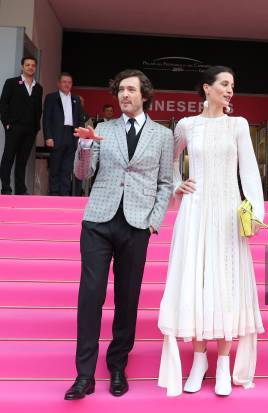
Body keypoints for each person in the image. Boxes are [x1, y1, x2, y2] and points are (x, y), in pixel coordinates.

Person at [64, 69, 173, 399]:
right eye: (120, 90)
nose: (124, 95)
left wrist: (154, 220)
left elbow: (166, 183)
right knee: (91, 295)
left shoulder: (162, 136)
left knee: (128, 299)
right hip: (98, 220)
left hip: (137, 224)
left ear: (144, 95)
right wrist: (84, 146)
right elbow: (82, 174)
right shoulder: (101, 129)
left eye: (131, 90)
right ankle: (84, 375)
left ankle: (117, 367)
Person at [157, 66, 265, 397]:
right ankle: (199, 360)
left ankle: (223, 363)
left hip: (230, 213)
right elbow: (168, 161)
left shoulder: (239, 124)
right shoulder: (188, 125)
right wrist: (178, 184)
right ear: (207, 88)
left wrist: (255, 213)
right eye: (224, 84)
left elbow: (248, 168)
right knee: (199, 281)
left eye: (233, 85)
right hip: (196, 211)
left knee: (226, 283)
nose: (230, 89)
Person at [0, 56, 43, 195]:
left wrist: (36, 127)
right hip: (14, 127)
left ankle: (20, 190)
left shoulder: (38, 87)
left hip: (30, 129)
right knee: (8, 158)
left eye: (33, 65)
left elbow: (38, 109)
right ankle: (6, 188)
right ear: (22, 66)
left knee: (22, 160)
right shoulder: (11, 83)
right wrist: (6, 123)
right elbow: (3, 103)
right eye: (28, 65)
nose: (30, 67)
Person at [42, 73, 85, 196]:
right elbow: (46, 119)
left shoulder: (76, 99)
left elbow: (80, 120)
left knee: (67, 168)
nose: (67, 84)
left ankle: (64, 194)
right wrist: (48, 136)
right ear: (58, 83)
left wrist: (80, 136)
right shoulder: (51, 97)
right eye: (64, 82)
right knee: (55, 167)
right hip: (56, 136)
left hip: (71, 136)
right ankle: (54, 193)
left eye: (69, 82)